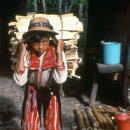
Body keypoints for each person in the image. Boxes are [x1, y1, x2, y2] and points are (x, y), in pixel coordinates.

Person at [13, 17, 68, 130]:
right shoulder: (27, 53)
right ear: (30, 42)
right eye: (36, 43)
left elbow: (60, 80)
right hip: (33, 92)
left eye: (44, 42)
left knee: (53, 125)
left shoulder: (56, 52)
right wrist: (22, 56)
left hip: (51, 91)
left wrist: (58, 53)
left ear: (49, 40)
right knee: (30, 125)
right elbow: (20, 81)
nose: (40, 47)